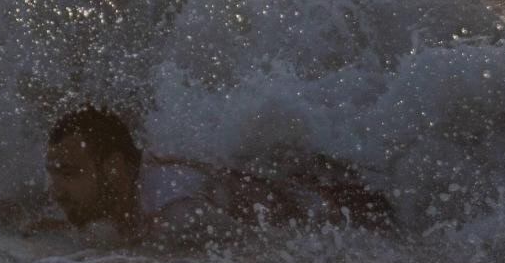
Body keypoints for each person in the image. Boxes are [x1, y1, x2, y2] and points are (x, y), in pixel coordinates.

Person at [41, 106, 395, 247]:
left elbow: (267, 254)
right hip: (304, 189)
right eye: (53, 173)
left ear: (114, 168)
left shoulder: (178, 213)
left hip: (353, 215)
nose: (57, 190)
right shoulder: (140, 184)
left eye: (70, 173)